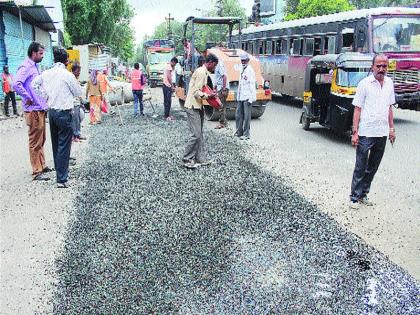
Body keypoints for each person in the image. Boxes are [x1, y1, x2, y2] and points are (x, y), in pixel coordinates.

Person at [349, 54, 396, 209]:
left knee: (373, 166)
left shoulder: (389, 83)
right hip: (366, 132)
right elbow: (357, 109)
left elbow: (389, 107)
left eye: (384, 66)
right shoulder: (364, 84)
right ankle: (354, 197)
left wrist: (391, 128)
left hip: (381, 133)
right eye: (379, 66)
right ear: (372, 67)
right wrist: (355, 132)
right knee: (360, 166)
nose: (381, 69)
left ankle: (363, 194)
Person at [32, 47, 82, 188]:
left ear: (54, 59)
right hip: (65, 113)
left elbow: (33, 84)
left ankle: (60, 174)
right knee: (64, 145)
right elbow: (77, 92)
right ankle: (62, 179)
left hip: (52, 112)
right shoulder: (67, 75)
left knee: (56, 144)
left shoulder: (46, 73)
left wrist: (45, 96)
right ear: (66, 61)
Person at [13, 41, 52, 181]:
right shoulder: (25, 67)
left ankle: (42, 165)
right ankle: (36, 171)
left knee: (41, 139)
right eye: (40, 53)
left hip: (39, 108)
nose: (42, 56)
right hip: (32, 110)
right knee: (35, 141)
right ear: (33, 53)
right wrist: (27, 96)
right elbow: (16, 84)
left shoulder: (34, 67)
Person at [182, 54, 218, 169]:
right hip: (192, 106)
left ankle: (200, 158)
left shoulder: (204, 72)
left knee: (199, 134)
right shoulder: (202, 72)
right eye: (214, 65)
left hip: (198, 106)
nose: (215, 68)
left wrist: (209, 94)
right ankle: (187, 159)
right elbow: (197, 92)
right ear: (210, 63)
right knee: (196, 134)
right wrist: (209, 96)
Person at [235, 53, 256, 140]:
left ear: (248, 61)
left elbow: (252, 85)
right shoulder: (241, 69)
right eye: (242, 60)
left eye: (244, 60)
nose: (243, 62)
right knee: (238, 115)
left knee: (247, 116)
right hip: (241, 96)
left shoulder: (250, 71)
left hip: (247, 97)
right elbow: (240, 84)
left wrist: (252, 98)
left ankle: (246, 134)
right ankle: (239, 132)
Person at [71, 63, 86, 142]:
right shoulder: (72, 79)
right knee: (75, 120)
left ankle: (78, 134)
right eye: (78, 71)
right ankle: (75, 136)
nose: (79, 73)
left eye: (80, 71)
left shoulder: (76, 79)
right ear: (73, 71)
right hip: (73, 102)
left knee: (78, 119)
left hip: (77, 102)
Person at [214, 59, 230, 129]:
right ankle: (224, 122)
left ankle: (222, 123)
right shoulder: (218, 64)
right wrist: (215, 86)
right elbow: (218, 77)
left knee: (221, 106)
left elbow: (224, 77)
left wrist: (223, 89)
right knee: (222, 106)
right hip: (220, 87)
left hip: (222, 88)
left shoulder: (219, 65)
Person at [162, 57, 178, 121]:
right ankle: (166, 116)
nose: (175, 65)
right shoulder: (169, 67)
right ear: (173, 61)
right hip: (167, 86)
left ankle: (167, 114)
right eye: (175, 63)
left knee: (168, 101)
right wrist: (172, 86)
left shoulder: (169, 66)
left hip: (166, 86)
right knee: (167, 101)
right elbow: (169, 77)